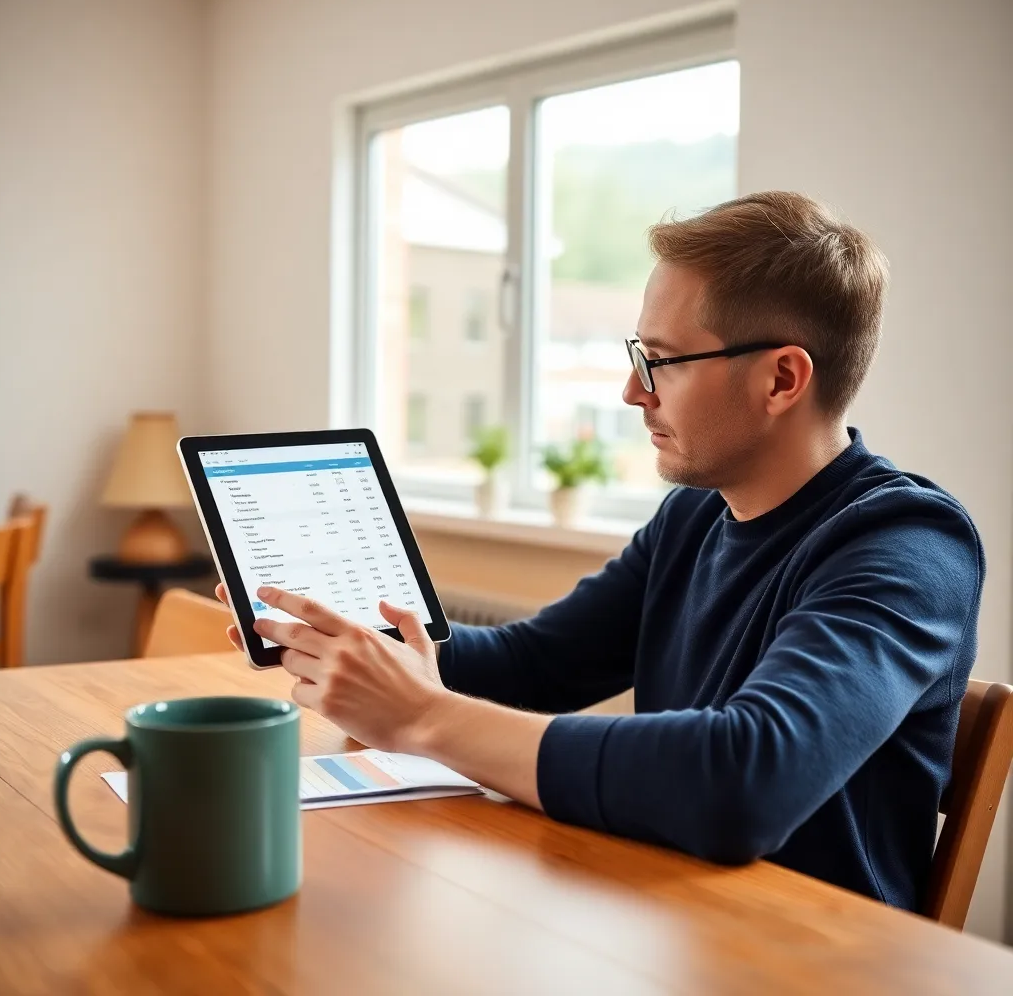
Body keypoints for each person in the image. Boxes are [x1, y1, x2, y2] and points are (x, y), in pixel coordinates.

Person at [217, 191, 983, 912]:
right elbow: (537, 662)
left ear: (782, 378)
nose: (631, 391)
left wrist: (422, 716)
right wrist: (349, 644)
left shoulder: (908, 546)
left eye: (662, 360)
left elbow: (744, 780)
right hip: (667, 918)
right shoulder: (693, 516)